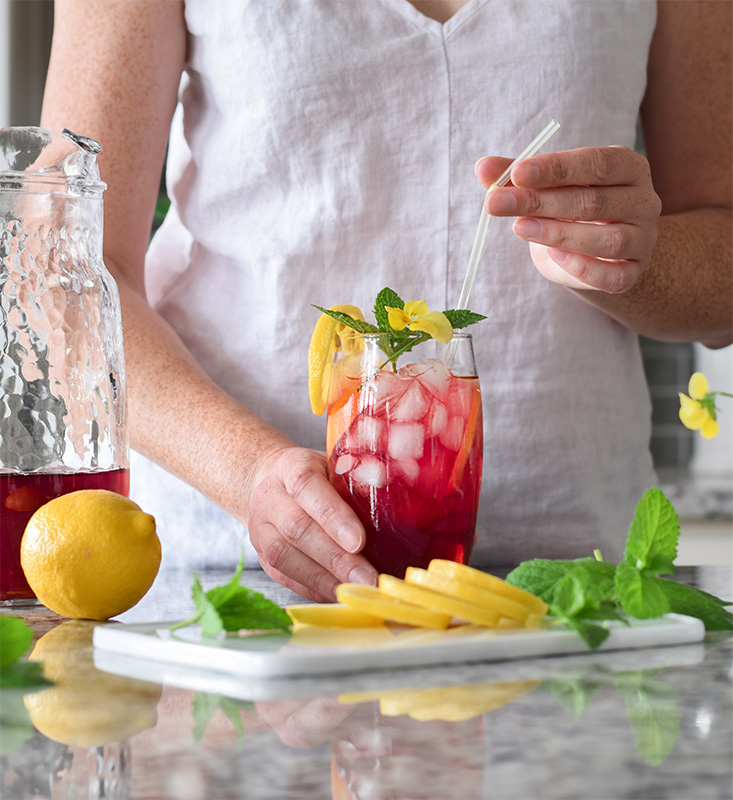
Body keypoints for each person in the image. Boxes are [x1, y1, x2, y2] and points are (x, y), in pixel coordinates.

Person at [40, 0, 731, 602]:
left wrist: (635, 262)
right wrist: (250, 472)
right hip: (235, 580)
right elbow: (64, 272)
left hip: (574, 587)